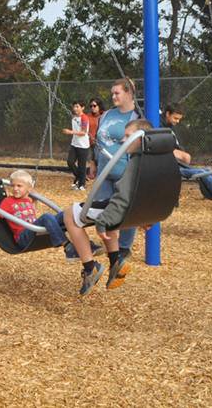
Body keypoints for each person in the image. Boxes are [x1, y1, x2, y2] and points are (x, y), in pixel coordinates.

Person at [64, 118, 150, 295]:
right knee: (106, 209)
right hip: (135, 212)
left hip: (123, 210)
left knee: (69, 215)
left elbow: (121, 198)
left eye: (128, 136)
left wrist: (102, 222)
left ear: (141, 138)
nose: (123, 140)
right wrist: (147, 216)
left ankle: (90, 268)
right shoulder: (155, 160)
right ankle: (115, 261)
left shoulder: (135, 163)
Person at [91, 77, 140, 289]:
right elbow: (98, 139)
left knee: (124, 210)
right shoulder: (107, 114)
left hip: (124, 170)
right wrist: (92, 162)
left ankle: (124, 249)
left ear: (129, 93)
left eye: (117, 93)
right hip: (104, 170)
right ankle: (114, 257)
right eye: (112, 93)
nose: (113, 97)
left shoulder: (136, 116)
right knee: (101, 208)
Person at [0, 170, 67, 251]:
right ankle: (65, 244)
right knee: (47, 217)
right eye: (13, 186)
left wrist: (35, 199)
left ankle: (75, 235)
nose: (15, 189)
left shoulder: (28, 200)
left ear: (29, 188)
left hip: (34, 232)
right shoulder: (8, 202)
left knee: (65, 214)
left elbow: (31, 213)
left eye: (19, 186)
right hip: (23, 237)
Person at [62, 100, 91, 191]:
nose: (75, 108)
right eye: (74, 106)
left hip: (83, 145)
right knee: (70, 162)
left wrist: (70, 132)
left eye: (77, 106)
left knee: (82, 165)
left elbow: (83, 132)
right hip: (74, 144)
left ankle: (81, 184)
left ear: (82, 108)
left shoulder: (84, 118)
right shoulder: (74, 117)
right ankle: (80, 177)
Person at [85, 98, 105, 182]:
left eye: (94, 105)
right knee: (92, 158)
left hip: (102, 142)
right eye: (91, 106)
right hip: (91, 141)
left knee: (100, 158)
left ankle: (100, 173)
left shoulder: (105, 115)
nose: (92, 107)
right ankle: (91, 173)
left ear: (99, 106)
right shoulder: (88, 116)